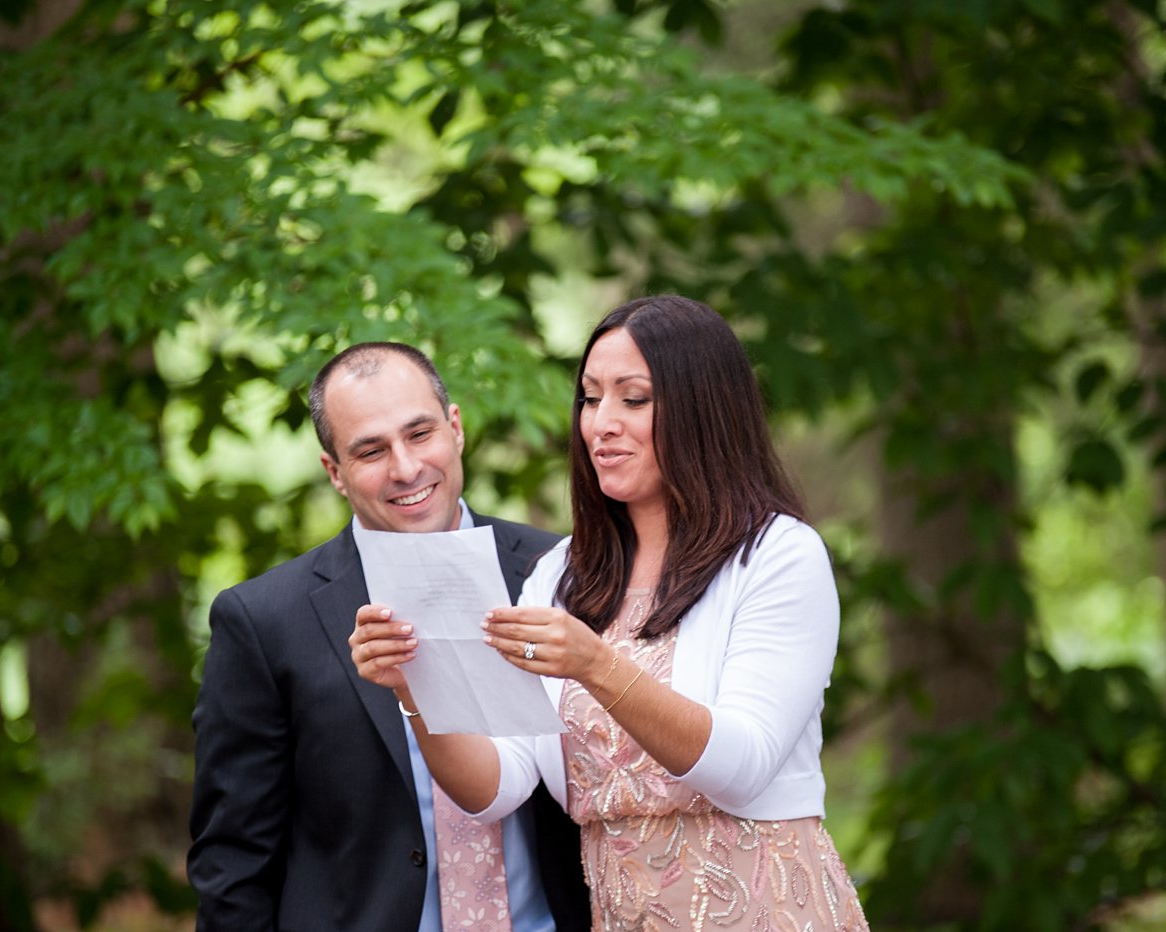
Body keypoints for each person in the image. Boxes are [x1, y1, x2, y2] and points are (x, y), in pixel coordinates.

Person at [351, 297, 871, 930]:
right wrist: (415, 689)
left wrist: (598, 664)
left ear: (704, 409)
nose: (601, 424)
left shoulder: (777, 555)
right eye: (590, 399)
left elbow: (742, 767)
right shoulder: (561, 575)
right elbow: (496, 787)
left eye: (634, 399)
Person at [188, 342, 590, 931]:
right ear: (335, 473)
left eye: (419, 434)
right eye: (371, 450)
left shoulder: (561, 572)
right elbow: (233, 861)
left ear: (455, 429)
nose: (405, 468)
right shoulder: (263, 621)